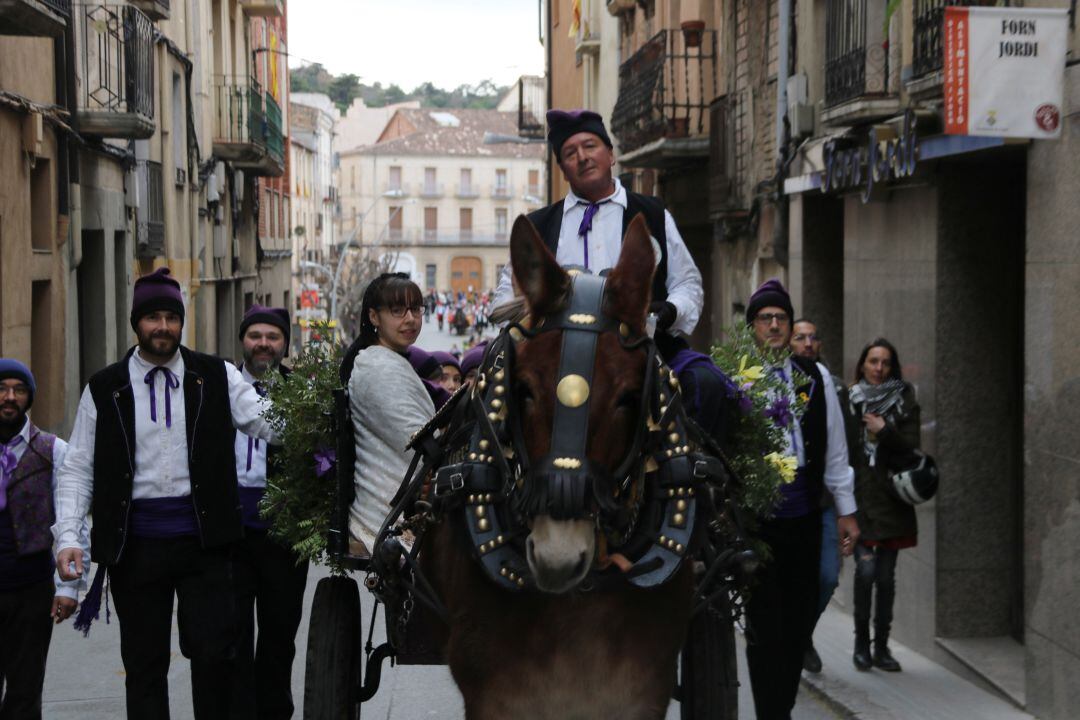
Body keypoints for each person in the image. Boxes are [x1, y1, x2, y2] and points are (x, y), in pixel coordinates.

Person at [53, 267, 279, 720]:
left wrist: (324, 415)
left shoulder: (215, 375)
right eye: (153, 317)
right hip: (136, 549)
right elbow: (78, 467)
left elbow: (266, 420)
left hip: (206, 545)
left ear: (182, 322)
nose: (163, 326)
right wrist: (69, 538)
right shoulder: (105, 387)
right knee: (144, 665)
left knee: (215, 657)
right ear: (136, 323)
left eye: (171, 317)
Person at [491, 109, 731, 440]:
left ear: (611, 155)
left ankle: (696, 482)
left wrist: (669, 311)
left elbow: (688, 284)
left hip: (644, 349)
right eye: (569, 153)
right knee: (491, 397)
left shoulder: (653, 215)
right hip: (558, 357)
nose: (582, 158)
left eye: (590, 146)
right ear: (562, 169)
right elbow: (506, 296)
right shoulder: (538, 225)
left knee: (708, 384)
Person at [743, 279, 859, 720]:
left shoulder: (815, 377)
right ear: (753, 326)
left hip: (806, 515)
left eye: (781, 318)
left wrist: (846, 510)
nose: (774, 325)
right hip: (759, 522)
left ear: (791, 328)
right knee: (764, 623)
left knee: (797, 619)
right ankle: (770, 712)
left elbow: (835, 450)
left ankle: (783, 705)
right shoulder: (737, 375)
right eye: (765, 319)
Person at [230, 306, 309, 719]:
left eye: (273, 337)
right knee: (232, 635)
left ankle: (275, 712)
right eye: (255, 335)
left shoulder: (304, 391)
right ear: (242, 340)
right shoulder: (219, 389)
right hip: (230, 534)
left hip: (282, 533)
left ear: (285, 344)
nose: (263, 343)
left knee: (280, 636)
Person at [0, 359, 85, 719]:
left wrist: (68, 587)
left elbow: (73, 519)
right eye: (2, 389)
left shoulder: (53, 450)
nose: (9, 397)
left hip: (30, 589)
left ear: (29, 397)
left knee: (25, 689)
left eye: (18, 390)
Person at [339, 273, 435, 555]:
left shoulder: (390, 359)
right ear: (374, 317)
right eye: (397, 311)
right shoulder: (376, 367)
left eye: (416, 309)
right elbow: (418, 441)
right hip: (386, 513)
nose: (410, 319)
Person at [848, 338, 920, 673]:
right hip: (860, 500)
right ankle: (860, 644)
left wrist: (884, 430)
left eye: (885, 363)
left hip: (892, 503)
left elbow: (912, 449)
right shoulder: (850, 401)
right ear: (862, 364)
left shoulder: (904, 401)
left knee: (887, 579)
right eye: (873, 361)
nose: (879, 368)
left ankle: (882, 647)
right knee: (865, 573)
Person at [790, 319, 857, 674]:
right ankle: (792, 637)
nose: (808, 343)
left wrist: (850, 506)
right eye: (800, 337)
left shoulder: (834, 388)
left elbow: (844, 448)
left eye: (814, 337)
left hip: (826, 500)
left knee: (828, 576)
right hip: (788, 500)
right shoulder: (776, 383)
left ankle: (803, 635)